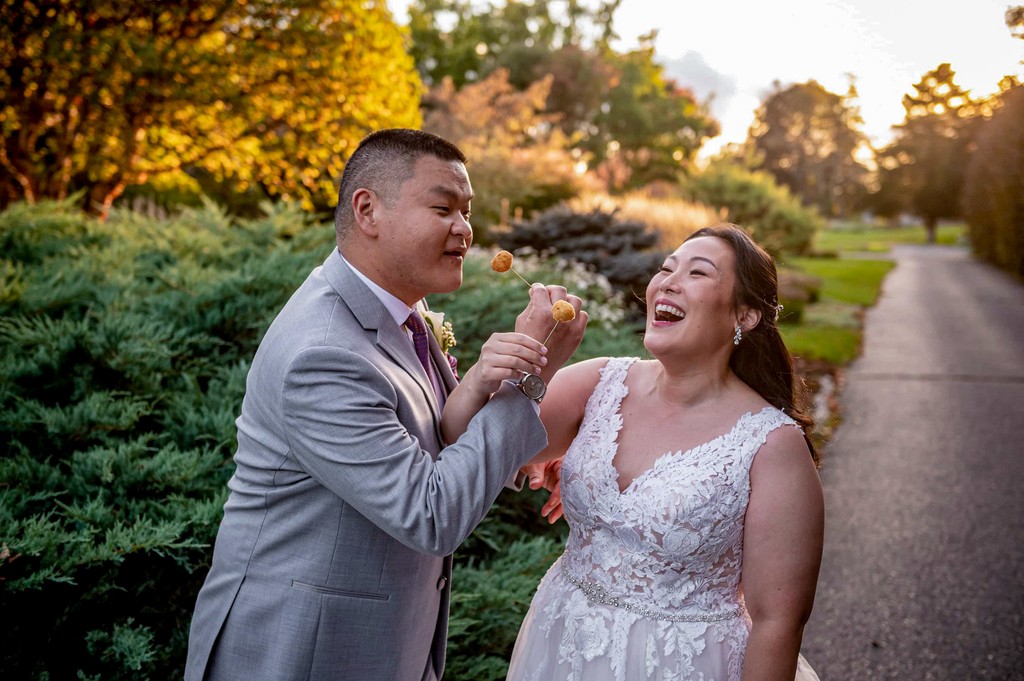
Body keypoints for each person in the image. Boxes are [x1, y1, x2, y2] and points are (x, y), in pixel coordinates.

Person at [184, 128, 587, 681]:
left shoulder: (399, 312)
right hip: (303, 651)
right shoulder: (322, 353)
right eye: (443, 207)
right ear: (368, 211)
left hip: (381, 645)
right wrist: (533, 378)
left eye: (467, 212)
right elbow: (429, 513)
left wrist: (510, 425)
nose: (465, 230)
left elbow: (435, 440)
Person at [444, 224, 824, 680]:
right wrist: (489, 375)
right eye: (665, 268)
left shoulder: (772, 444)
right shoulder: (599, 383)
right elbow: (467, 444)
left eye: (697, 273)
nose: (667, 281)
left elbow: (776, 624)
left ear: (744, 316)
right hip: (561, 645)